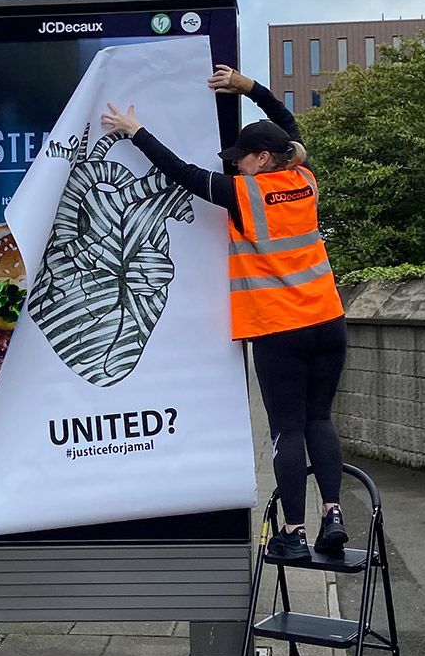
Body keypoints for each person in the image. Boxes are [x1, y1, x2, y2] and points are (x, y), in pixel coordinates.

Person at [100, 65, 348, 562]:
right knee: (320, 419)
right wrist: (248, 88)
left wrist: (135, 132)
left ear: (262, 158)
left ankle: (294, 533)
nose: (236, 167)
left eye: (242, 158)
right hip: (329, 322)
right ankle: (333, 517)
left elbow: (182, 174)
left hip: (280, 330)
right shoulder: (305, 179)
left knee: (287, 428)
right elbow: (288, 129)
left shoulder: (245, 194)